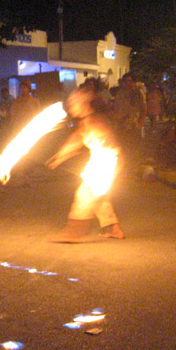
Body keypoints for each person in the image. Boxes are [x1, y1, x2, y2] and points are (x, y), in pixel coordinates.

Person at [48, 80, 125, 243]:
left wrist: (62, 155)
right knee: (99, 198)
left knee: (85, 195)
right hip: (104, 160)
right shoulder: (88, 121)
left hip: (106, 161)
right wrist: (59, 157)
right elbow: (76, 140)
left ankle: (75, 233)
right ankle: (114, 229)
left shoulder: (94, 121)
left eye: (73, 104)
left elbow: (80, 139)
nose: (70, 108)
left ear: (83, 104)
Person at [111, 73, 146, 174]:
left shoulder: (138, 93)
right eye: (125, 81)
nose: (127, 83)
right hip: (121, 125)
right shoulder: (119, 93)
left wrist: (140, 123)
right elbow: (116, 108)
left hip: (133, 125)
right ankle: (124, 168)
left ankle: (133, 168)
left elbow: (144, 110)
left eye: (130, 81)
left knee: (133, 148)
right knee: (122, 147)